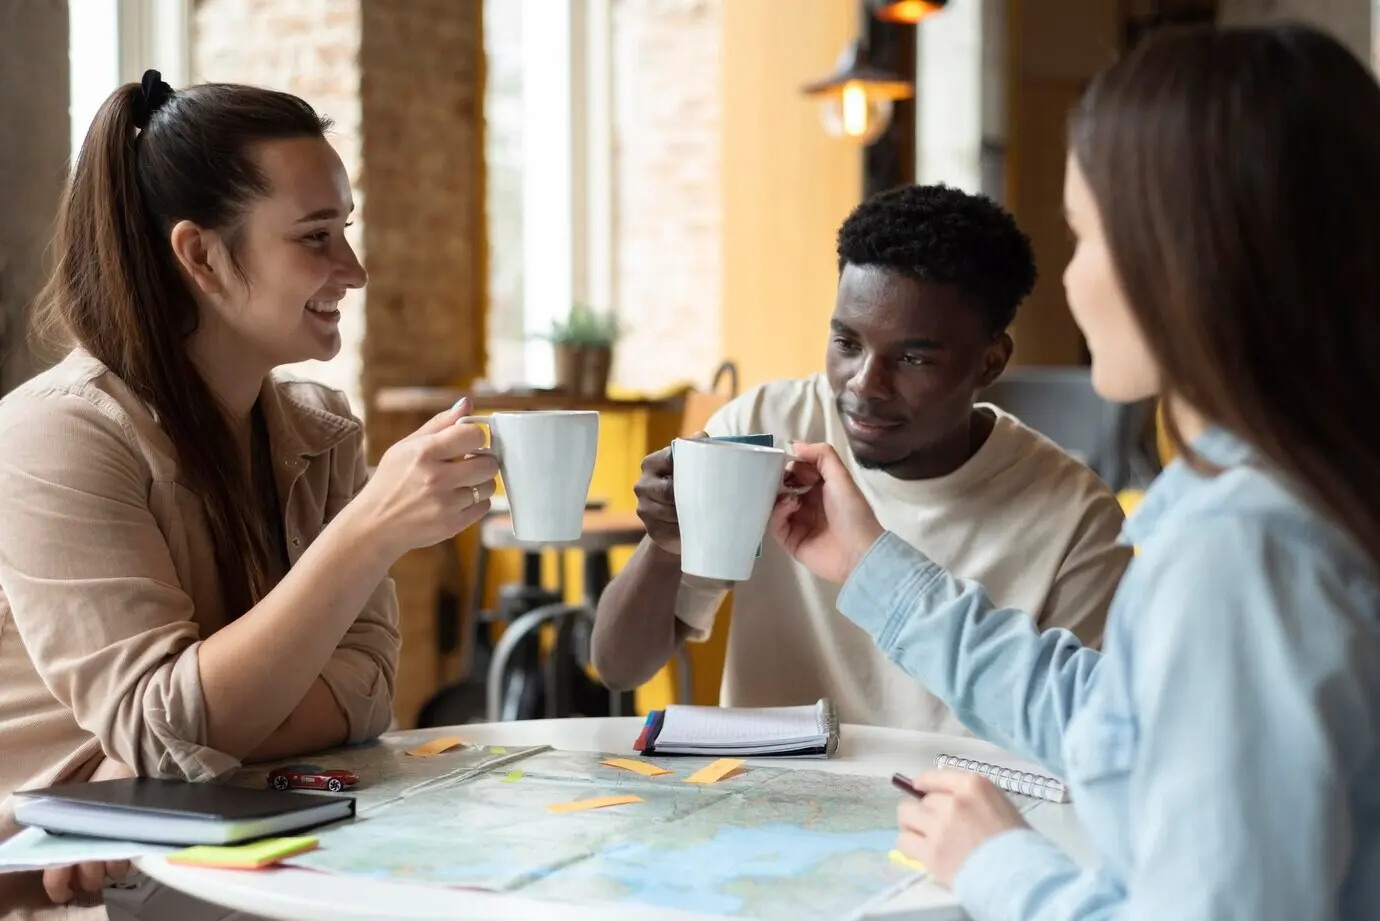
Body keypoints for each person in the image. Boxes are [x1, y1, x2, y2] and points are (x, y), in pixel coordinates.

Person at [770, 23, 1380, 921]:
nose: (1074, 283)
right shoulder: (1273, 490)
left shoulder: (1243, 553)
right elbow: (1116, 718)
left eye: (1084, 237)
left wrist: (999, 865)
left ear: (1186, 256)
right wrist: (871, 567)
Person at [0, 72, 498, 918]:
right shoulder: (55, 435)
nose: (355, 268)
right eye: (315, 236)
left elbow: (366, 691)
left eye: (345, 229)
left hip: (215, 857)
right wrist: (369, 530)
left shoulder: (319, 428)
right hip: (68, 891)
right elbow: (167, 725)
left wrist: (174, 755)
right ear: (198, 254)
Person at [592, 184, 1132, 733]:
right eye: (847, 344)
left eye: (912, 357)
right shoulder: (763, 432)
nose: (864, 385)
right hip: (760, 809)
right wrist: (665, 547)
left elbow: (1086, 743)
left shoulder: (1074, 519)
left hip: (954, 815)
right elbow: (618, 667)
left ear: (990, 363)